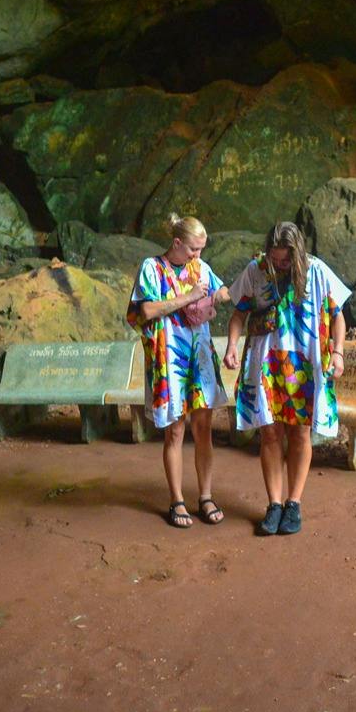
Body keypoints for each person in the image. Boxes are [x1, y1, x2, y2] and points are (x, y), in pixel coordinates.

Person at [222, 221, 350, 536]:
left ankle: (294, 503)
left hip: (305, 364)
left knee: (300, 434)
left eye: (284, 260)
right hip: (267, 366)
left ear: (297, 254)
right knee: (269, 434)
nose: (279, 265)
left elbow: (337, 317)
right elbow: (238, 313)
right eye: (275, 258)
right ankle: (274, 504)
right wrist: (232, 346)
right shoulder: (256, 270)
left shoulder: (317, 272)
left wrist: (338, 353)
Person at [126, 214, 231, 529]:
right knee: (174, 431)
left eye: (201, 249)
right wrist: (189, 297)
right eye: (193, 250)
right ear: (176, 244)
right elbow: (145, 310)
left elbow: (221, 291)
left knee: (203, 429)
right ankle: (176, 500)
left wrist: (219, 295)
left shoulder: (200, 268)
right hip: (168, 358)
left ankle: (206, 496)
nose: (197, 256)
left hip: (199, 358)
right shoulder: (152, 269)